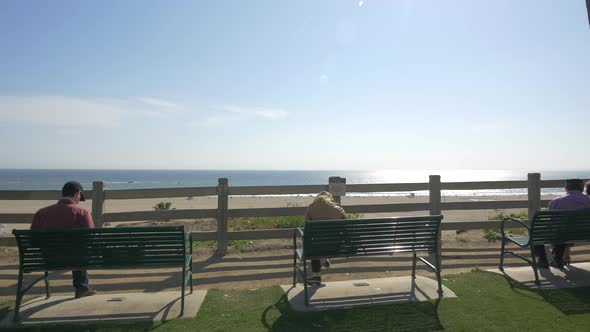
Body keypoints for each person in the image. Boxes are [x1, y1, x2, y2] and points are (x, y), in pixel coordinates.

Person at [31, 181, 97, 298]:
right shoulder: (83, 213)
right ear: (78, 194)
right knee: (78, 251)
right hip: (76, 260)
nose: (78, 201)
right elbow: (91, 238)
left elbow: (33, 240)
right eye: (79, 198)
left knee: (75, 251)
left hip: (47, 260)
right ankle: (81, 288)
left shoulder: (41, 213)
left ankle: (82, 288)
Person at [533, 178, 590, 268]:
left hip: (562, 234)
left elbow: (553, 221)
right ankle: (558, 259)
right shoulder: (588, 200)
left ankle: (542, 259)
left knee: (536, 231)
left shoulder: (555, 202)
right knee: (562, 230)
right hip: (585, 233)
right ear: (582, 188)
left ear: (566, 188)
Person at [304, 191, 346, 285]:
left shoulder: (311, 209)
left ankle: (317, 275)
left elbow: (307, 231)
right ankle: (325, 258)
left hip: (317, 246)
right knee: (327, 239)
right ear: (330, 199)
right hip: (336, 246)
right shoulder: (339, 210)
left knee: (313, 243)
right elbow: (345, 228)